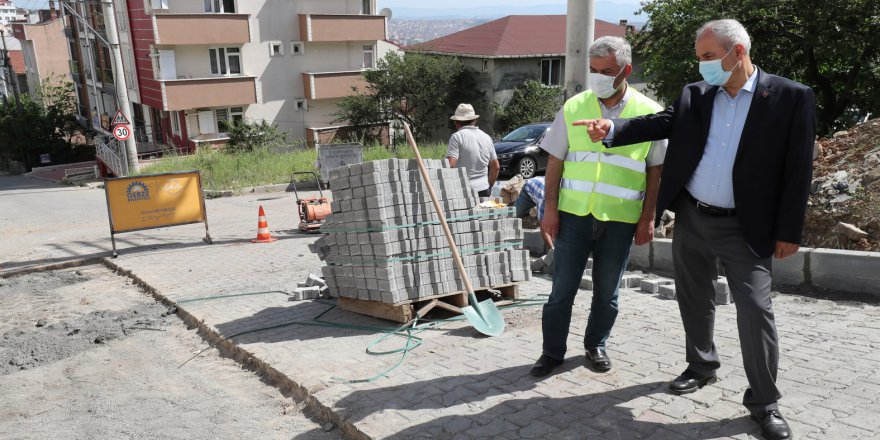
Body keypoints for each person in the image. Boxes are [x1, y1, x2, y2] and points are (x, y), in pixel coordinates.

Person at [578, 19, 815, 440]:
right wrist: (612, 129)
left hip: (747, 226)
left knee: (756, 312)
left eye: (708, 57)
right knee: (694, 298)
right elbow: (660, 122)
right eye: (699, 57)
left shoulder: (790, 97)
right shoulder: (696, 94)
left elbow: (798, 170)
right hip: (693, 217)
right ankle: (702, 365)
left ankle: (765, 403)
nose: (702, 65)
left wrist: (788, 230)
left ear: (737, 52)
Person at [530, 36, 667, 378]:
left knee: (607, 292)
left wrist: (649, 217)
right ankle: (552, 352)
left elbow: (656, 170)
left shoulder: (648, 113)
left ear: (626, 71)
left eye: (606, 71)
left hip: (620, 220)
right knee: (561, 290)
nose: (598, 77)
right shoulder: (575, 106)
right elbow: (556, 161)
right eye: (593, 70)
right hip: (573, 216)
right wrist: (549, 209)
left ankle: (596, 345)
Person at [446, 103, 500, 197]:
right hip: (484, 189)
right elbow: (496, 167)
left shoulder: (457, 137)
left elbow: (450, 165)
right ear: (475, 120)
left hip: (464, 191)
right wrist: (488, 186)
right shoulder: (487, 137)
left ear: (457, 123)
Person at [513, 176, 554, 250]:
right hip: (529, 189)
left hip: (540, 185)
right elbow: (543, 228)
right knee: (514, 216)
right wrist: (552, 249)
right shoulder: (544, 199)